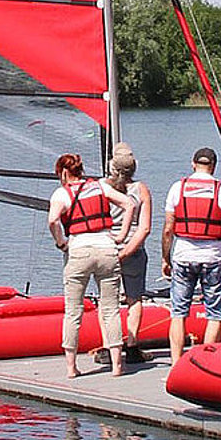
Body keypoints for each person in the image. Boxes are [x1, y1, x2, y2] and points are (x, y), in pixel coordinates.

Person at [48, 152, 137, 378]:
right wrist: (121, 235)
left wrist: (61, 242)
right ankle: (117, 366)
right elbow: (129, 204)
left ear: (64, 172)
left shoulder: (61, 193)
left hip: (78, 251)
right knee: (111, 310)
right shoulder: (100, 187)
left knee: (73, 312)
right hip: (107, 248)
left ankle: (71, 368)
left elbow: (52, 220)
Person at [161, 147, 221, 363]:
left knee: (179, 312)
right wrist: (219, 228)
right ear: (214, 166)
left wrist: (165, 258)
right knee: (214, 313)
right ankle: (207, 364)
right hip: (212, 257)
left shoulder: (177, 188)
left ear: (193, 164)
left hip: (182, 255)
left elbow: (169, 228)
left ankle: (176, 363)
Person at [103, 143, 153, 365]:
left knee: (108, 301)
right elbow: (145, 228)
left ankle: (108, 347)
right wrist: (127, 251)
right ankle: (132, 346)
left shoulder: (101, 187)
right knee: (134, 299)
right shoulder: (141, 189)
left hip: (106, 247)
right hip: (133, 249)